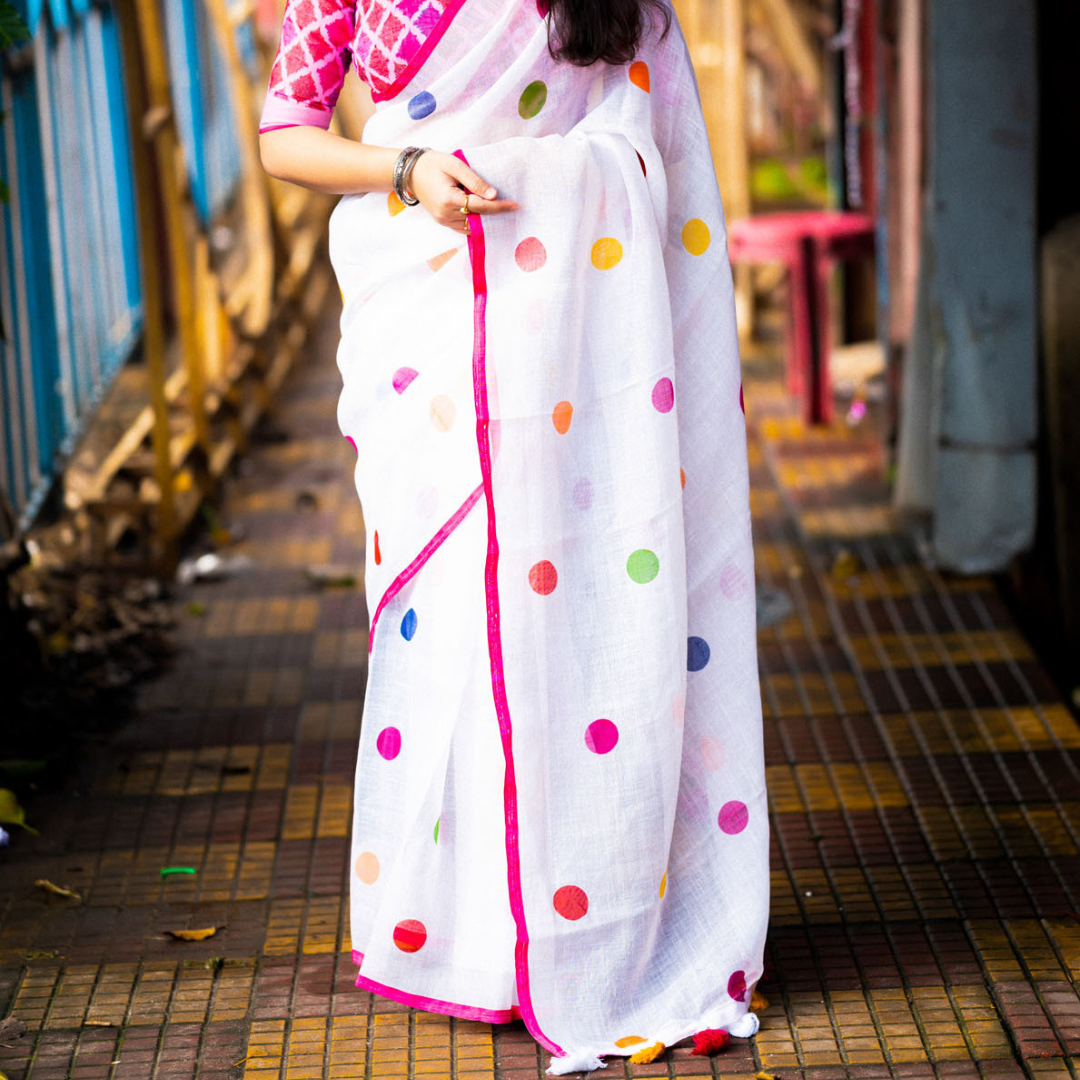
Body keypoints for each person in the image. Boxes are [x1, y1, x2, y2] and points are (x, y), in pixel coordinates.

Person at [258, 0, 769, 1071]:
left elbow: (652, 138)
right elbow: (286, 137)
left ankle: (601, 921)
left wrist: (559, 180)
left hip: (585, 338)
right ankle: (475, 939)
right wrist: (408, 172)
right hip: (426, 323)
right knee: (451, 622)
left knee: (585, 615)